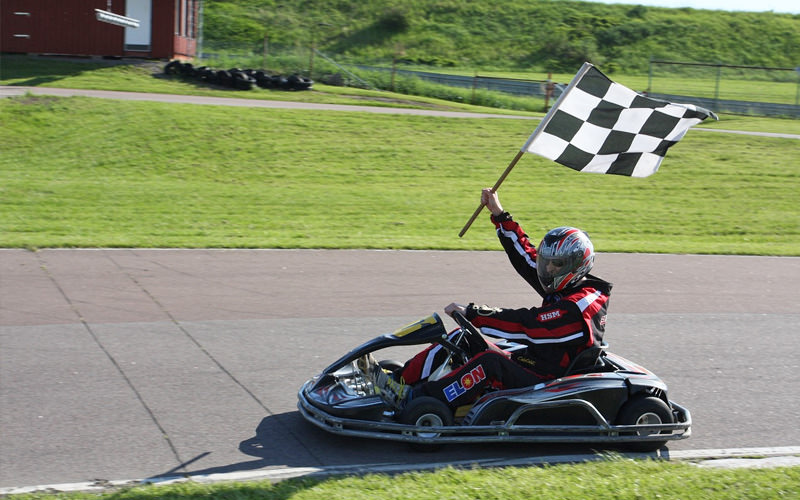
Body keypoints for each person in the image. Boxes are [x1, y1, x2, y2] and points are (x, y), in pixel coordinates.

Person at [363, 188, 612, 410]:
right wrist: (500, 215)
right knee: (462, 338)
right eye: (546, 263)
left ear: (576, 266)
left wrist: (475, 313)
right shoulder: (564, 283)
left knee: (490, 363)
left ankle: (418, 401)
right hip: (533, 360)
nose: (547, 270)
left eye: (554, 265)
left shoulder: (581, 305)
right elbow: (527, 259)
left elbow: (529, 324)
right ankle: (397, 382)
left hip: (550, 379)